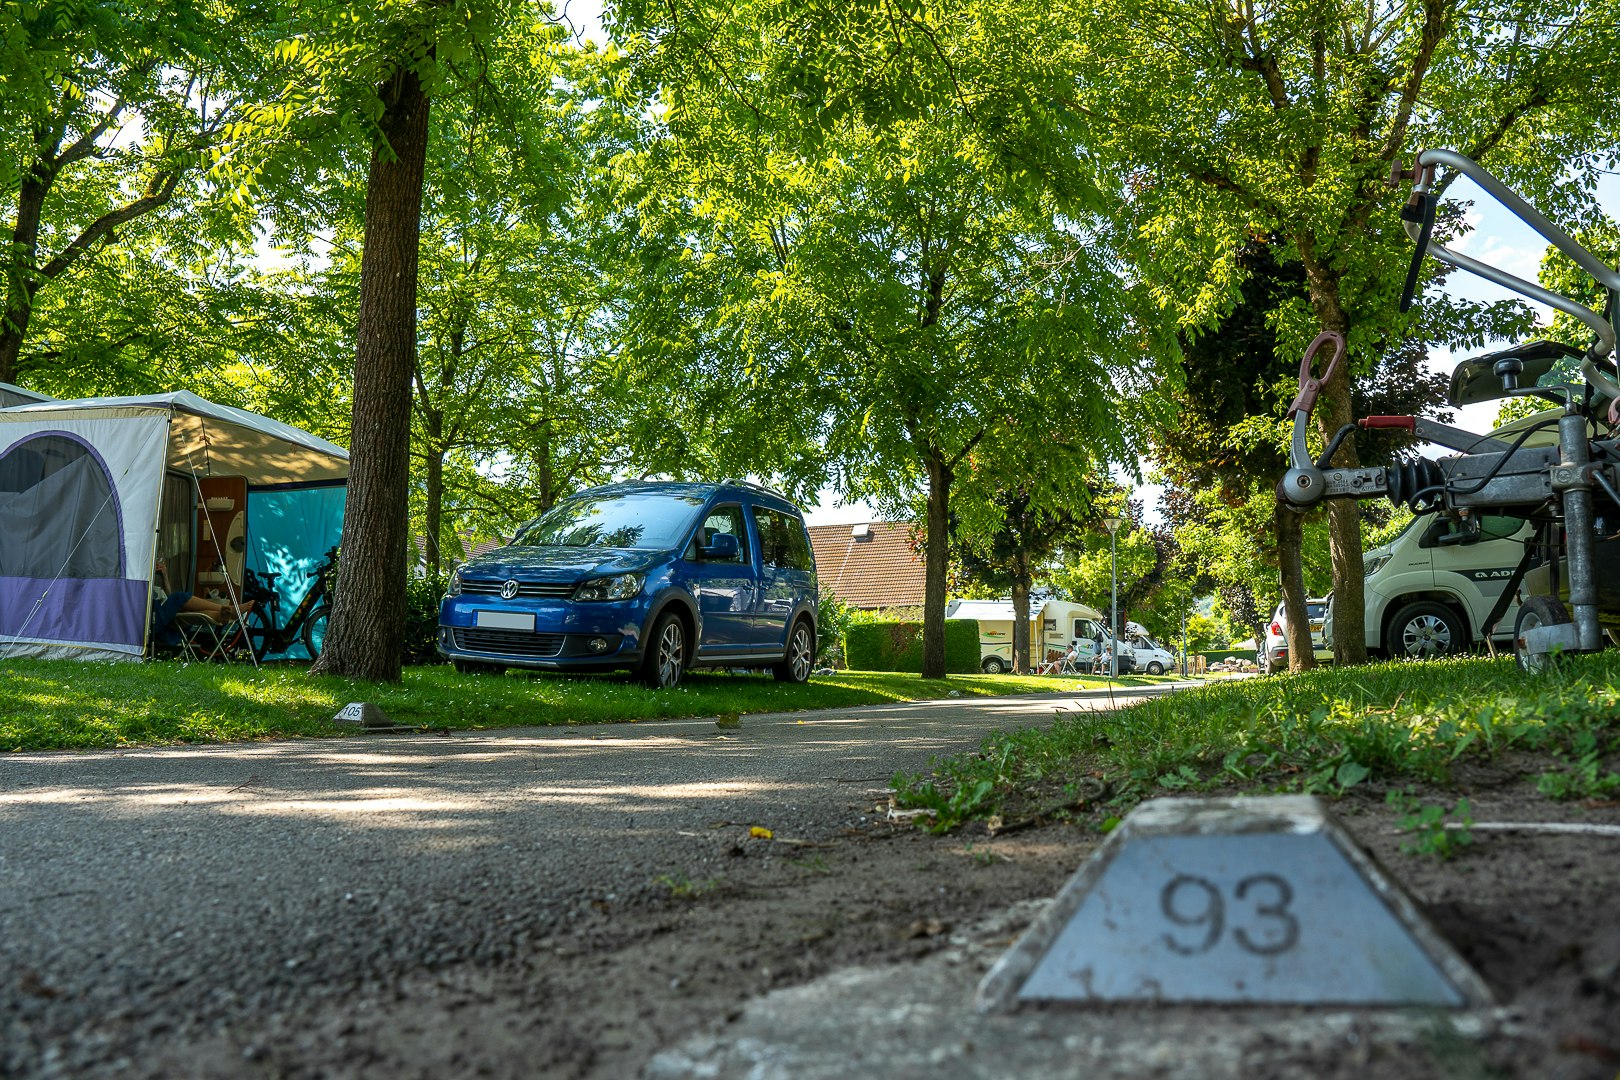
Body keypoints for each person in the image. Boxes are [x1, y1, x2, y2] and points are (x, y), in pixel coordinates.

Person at [150, 558, 252, 646]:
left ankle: (221, 615)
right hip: (151, 625)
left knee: (186, 612)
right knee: (179, 598)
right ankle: (228, 609)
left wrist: (164, 576)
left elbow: (168, 597)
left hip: (166, 624)